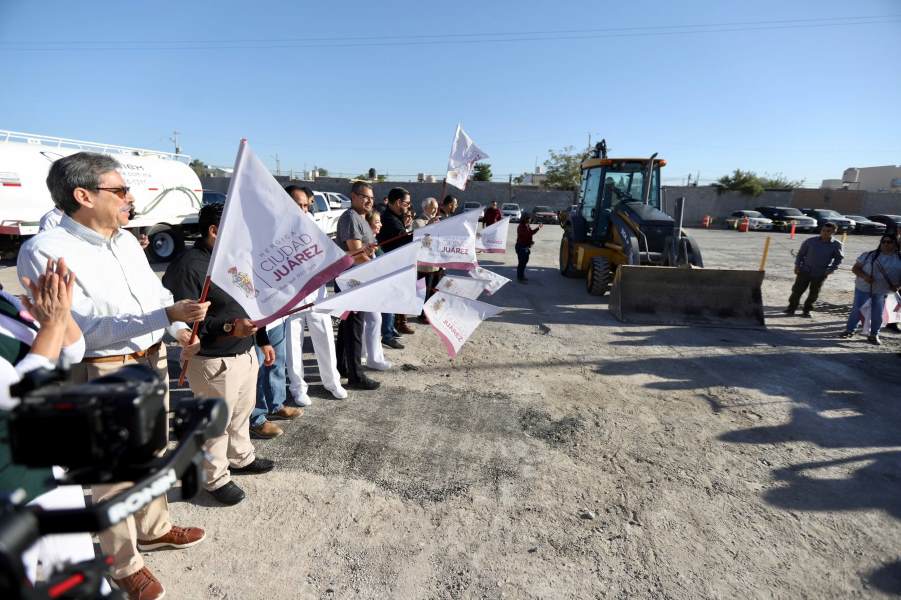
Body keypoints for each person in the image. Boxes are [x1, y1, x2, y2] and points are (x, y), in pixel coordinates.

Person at [17, 152, 209, 600]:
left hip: (150, 358)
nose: (130, 198)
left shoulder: (124, 241)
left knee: (154, 450)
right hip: (104, 368)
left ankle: (155, 527)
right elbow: (81, 330)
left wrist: (178, 328)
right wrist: (164, 314)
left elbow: (154, 294)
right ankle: (123, 563)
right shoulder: (46, 251)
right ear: (83, 195)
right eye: (120, 190)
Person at [162, 202, 277, 505]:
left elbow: (251, 302)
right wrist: (228, 327)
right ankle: (214, 478)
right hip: (213, 362)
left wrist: (262, 339)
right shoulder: (188, 266)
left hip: (244, 354)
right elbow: (184, 320)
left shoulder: (233, 259)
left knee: (240, 414)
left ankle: (240, 457)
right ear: (214, 231)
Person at [282, 186, 348, 408]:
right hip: (290, 299)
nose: (302, 209)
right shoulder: (275, 227)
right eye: (297, 204)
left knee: (325, 339)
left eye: (305, 204)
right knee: (293, 344)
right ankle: (297, 387)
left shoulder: (313, 222)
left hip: (316, 294)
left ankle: (332, 382)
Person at [334, 182, 380, 390]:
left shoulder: (361, 218)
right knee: (353, 327)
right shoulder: (351, 218)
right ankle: (356, 375)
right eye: (365, 196)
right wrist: (379, 267)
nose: (369, 200)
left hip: (357, 280)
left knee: (347, 327)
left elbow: (365, 251)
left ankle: (343, 366)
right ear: (353, 196)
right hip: (351, 281)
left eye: (371, 197)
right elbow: (356, 255)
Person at [842, 234, 901, 345]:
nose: (886, 244)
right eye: (884, 242)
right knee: (857, 310)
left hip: (882, 291)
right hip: (863, 288)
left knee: (877, 313)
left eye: (889, 242)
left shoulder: (899, 258)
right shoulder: (869, 255)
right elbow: (855, 268)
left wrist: (898, 285)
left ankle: (874, 334)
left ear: (895, 244)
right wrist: (865, 277)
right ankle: (849, 330)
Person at [377, 187, 414, 348]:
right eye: (407, 203)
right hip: (388, 264)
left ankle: (390, 328)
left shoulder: (395, 216)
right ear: (398, 202)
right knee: (388, 300)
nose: (408, 206)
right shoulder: (390, 218)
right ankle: (386, 333)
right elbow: (404, 240)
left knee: (392, 299)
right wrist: (426, 232)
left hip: (393, 263)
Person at [785, 223, 843, 317]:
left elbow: (838, 258)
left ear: (833, 232)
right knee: (797, 290)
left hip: (820, 273)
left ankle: (807, 310)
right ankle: (791, 308)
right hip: (805, 270)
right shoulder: (810, 241)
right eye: (823, 230)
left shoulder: (836, 245)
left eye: (828, 231)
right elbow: (800, 254)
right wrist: (797, 266)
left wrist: (831, 269)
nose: (825, 233)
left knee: (814, 293)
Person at [362, 211, 392, 370]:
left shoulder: (373, 240)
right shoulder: (365, 242)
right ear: (367, 224)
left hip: (372, 286)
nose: (380, 224)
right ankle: (374, 359)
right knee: (374, 320)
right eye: (377, 221)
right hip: (365, 287)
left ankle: (364, 353)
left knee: (368, 321)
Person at [413, 197, 440, 324]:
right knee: (423, 291)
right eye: (432, 207)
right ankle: (422, 314)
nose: (435, 210)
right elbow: (420, 241)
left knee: (433, 290)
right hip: (423, 265)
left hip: (435, 263)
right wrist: (429, 226)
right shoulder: (419, 222)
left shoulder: (436, 221)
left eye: (436, 207)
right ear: (425, 208)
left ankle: (429, 313)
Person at [515, 213, 542, 282]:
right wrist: (530, 242)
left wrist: (538, 228)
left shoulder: (527, 225)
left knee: (524, 262)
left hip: (525, 247)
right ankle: (519, 278)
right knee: (521, 263)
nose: (530, 219)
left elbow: (530, 232)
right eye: (529, 218)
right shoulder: (521, 226)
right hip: (521, 247)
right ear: (525, 219)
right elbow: (526, 235)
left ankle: (522, 275)